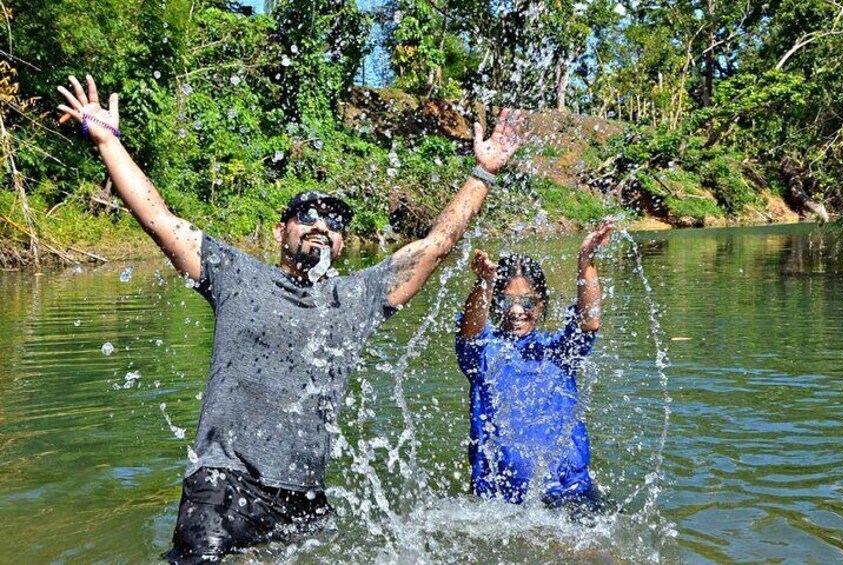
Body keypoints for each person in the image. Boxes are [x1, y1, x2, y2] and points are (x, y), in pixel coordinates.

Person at [57, 74, 527, 562]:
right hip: (224, 487)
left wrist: (483, 174)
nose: (322, 225)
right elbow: (159, 218)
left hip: (305, 500)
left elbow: (435, 247)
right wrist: (108, 142)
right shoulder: (235, 275)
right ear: (282, 231)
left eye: (336, 222)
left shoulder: (358, 298)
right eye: (307, 215)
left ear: (343, 243)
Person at [455, 220, 613, 509]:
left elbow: (589, 320)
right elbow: (469, 331)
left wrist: (586, 260)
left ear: (541, 305)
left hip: (572, 495)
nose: (517, 311)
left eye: (528, 302)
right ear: (493, 304)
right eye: (505, 301)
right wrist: (484, 284)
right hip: (498, 504)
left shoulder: (559, 351)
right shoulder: (482, 353)